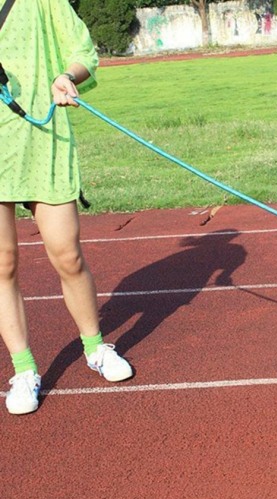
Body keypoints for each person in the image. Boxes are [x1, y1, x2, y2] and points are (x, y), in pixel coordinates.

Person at [0, 0, 132, 415]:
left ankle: (95, 347)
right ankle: (24, 370)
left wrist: (66, 76)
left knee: (68, 255)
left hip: (44, 140)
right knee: (1, 263)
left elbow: (84, 52)